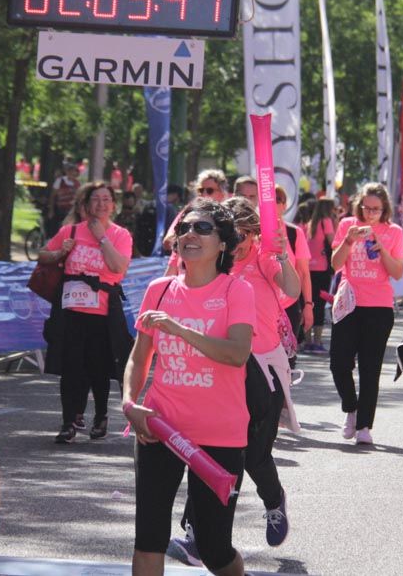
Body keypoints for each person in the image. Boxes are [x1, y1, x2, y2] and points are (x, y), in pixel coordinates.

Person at [123, 199, 252, 576]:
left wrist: (179, 329)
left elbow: (237, 354)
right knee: (148, 538)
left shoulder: (236, 290)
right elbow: (139, 357)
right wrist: (130, 404)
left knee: (214, 550)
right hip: (160, 428)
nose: (190, 234)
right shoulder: (159, 290)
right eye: (184, 228)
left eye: (203, 228)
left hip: (219, 434)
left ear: (223, 243)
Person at [170, 196, 301, 561]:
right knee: (211, 450)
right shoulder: (215, 263)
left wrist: (283, 257)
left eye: (246, 234)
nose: (239, 241)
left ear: (255, 234)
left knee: (254, 456)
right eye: (234, 233)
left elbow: (292, 290)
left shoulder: (263, 257)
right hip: (222, 367)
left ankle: (273, 501)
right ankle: (196, 534)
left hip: (263, 368)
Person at [40, 182, 133, 443]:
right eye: (96, 199)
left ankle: (101, 415)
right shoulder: (70, 230)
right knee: (71, 367)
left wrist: (101, 237)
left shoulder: (120, 235)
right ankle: (68, 422)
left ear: (113, 205)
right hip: (71, 310)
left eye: (106, 199)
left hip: (103, 311)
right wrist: (61, 252)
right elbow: (43, 255)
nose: (101, 204)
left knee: (99, 367)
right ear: (86, 204)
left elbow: (118, 268)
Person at [329, 182, 403, 445]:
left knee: (370, 369)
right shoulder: (347, 225)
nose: (370, 214)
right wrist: (349, 240)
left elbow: (397, 272)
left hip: (379, 307)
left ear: (384, 209)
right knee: (339, 363)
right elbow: (336, 264)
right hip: (348, 304)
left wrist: (380, 246)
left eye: (376, 209)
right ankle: (351, 408)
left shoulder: (394, 231)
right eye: (366, 208)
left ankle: (364, 425)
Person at [275, 185, 313, 355]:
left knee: (287, 360)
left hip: (289, 305)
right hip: (261, 307)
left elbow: (304, 273)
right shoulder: (251, 233)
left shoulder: (294, 233)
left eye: (278, 200)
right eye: (268, 200)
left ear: (284, 205)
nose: (273, 204)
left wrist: (308, 305)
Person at [304, 197, 337, 352]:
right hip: (322, 268)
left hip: (308, 268)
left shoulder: (311, 223)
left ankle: (307, 341)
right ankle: (317, 341)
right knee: (320, 304)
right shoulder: (326, 221)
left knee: (308, 303)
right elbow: (333, 242)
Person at [46, 163, 81, 235]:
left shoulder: (77, 183)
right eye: (71, 171)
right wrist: (51, 210)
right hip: (60, 209)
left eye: (75, 172)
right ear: (67, 172)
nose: (73, 174)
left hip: (71, 210)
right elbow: (53, 196)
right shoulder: (60, 181)